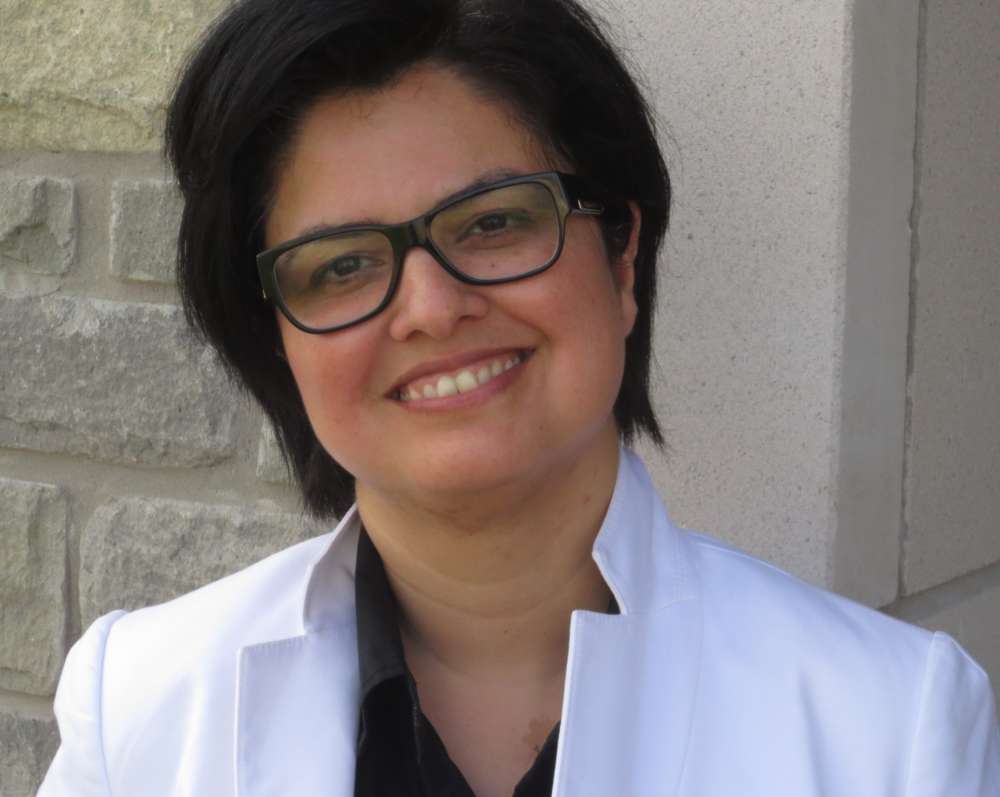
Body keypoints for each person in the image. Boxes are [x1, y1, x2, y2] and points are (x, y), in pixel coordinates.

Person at [39, 0, 999, 795]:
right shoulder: (141, 710)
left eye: (494, 220)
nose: (430, 307)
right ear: (276, 340)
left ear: (622, 255)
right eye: (338, 266)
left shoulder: (892, 730)